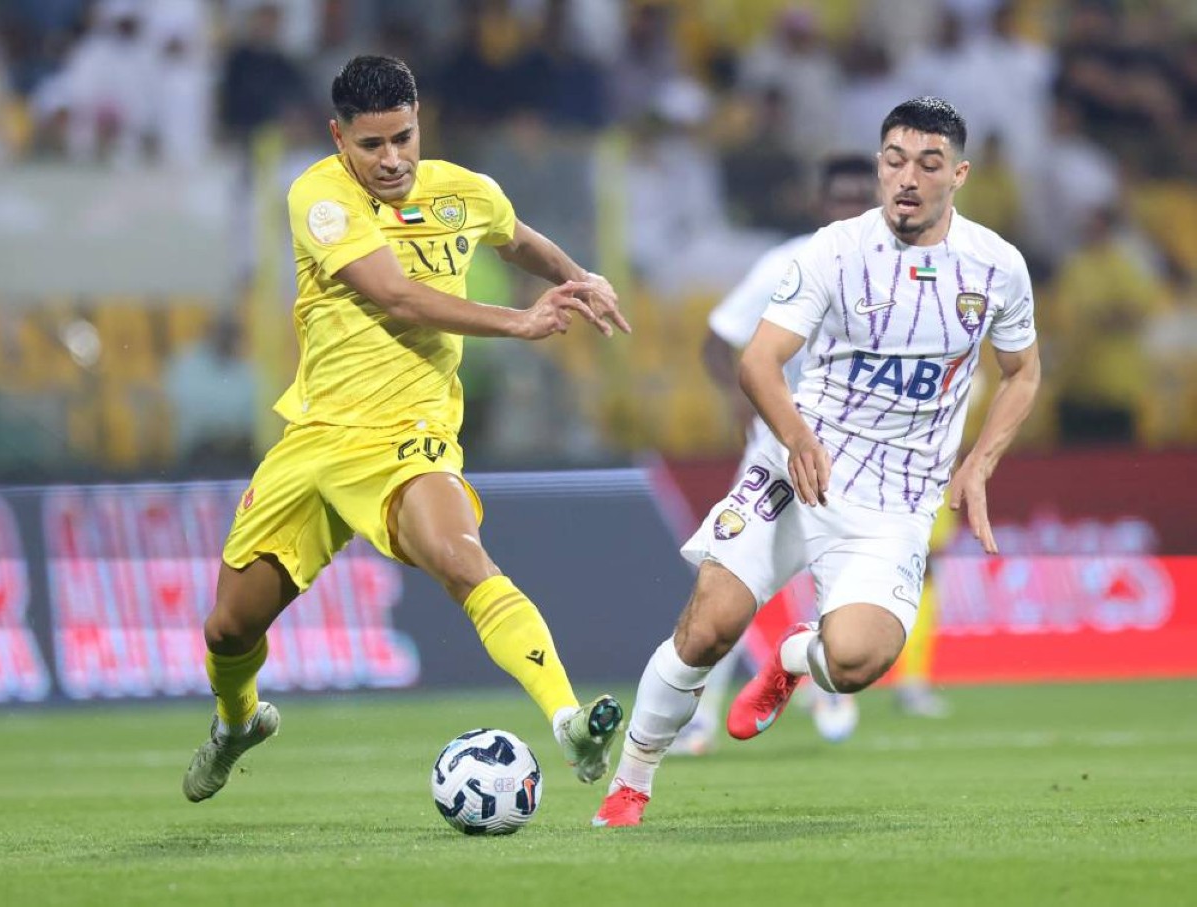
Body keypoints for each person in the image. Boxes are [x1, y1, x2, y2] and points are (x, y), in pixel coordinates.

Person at [183, 54, 631, 803]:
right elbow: (397, 297)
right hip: (316, 438)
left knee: (463, 559)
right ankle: (236, 724)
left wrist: (576, 277)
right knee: (228, 629)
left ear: (419, 123)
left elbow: (515, 237)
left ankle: (569, 722)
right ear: (339, 138)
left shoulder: (464, 191)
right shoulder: (319, 197)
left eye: (403, 138)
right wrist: (518, 321)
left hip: (409, 436)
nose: (391, 159)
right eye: (372, 145)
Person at [593, 97, 1040, 827]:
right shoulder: (834, 249)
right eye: (895, 160)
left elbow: (1023, 371)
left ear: (958, 175)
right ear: (881, 166)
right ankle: (631, 783)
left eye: (928, 164)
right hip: (798, 469)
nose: (908, 178)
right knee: (709, 626)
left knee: (858, 661)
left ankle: (795, 658)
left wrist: (981, 461)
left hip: (896, 500)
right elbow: (757, 360)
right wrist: (798, 439)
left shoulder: (996, 266)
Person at [671, 153, 878, 755]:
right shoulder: (788, 263)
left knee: (840, 568)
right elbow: (719, 341)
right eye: (841, 198)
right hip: (782, 446)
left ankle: (826, 685)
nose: (851, 208)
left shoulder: (898, 273)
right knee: (731, 578)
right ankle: (699, 715)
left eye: (861, 197)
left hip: (861, 449)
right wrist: (744, 403)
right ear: (820, 205)